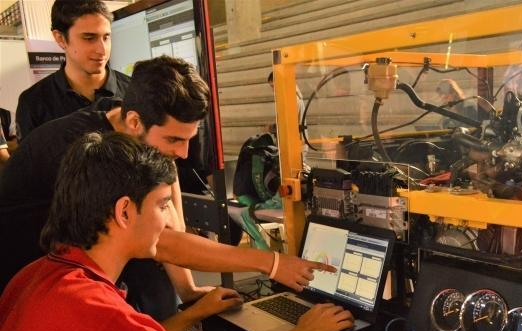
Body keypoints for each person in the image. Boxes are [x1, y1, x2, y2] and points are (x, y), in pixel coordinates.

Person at [0, 131, 353, 331]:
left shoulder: (40, 275)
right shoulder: (93, 312)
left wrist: (193, 313)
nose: (169, 221)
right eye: (162, 204)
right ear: (124, 211)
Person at [0, 56, 331, 316]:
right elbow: (164, 241)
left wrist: (187, 290)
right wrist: (271, 263)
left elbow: (170, 220)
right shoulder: (86, 149)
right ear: (134, 122)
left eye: (188, 139)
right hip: (25, 285)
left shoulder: (135, 126)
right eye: (174, 139)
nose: (183, 153)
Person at [15, 0, 129, 141]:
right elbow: (30, 161)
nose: (102, 50)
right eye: (89, 38)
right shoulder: (33, 103)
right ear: (60, 38)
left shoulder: (134, 91)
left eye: (106, 37)